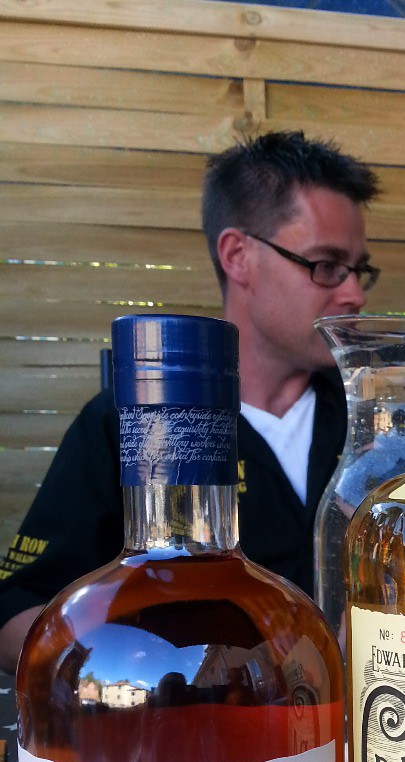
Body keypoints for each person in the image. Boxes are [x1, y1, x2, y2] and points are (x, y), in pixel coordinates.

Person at [0, 131, 380, 672]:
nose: (354, 294)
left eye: (359, 270)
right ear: (238, 256)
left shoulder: (373, 423)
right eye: (325, 265)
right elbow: (17, 612)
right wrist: (149, 674)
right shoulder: (129, 424)